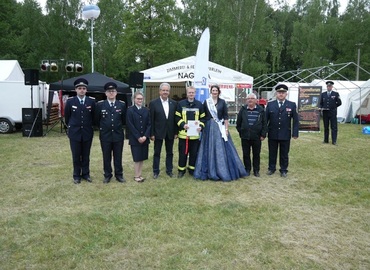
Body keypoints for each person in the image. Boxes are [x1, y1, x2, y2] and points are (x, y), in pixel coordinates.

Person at [194, 85, 247, 181]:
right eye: (213, 90)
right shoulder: (206, 102)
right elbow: (203, 116)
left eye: (216, 90)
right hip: (209, 127)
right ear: (211, 92)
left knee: (221, 148)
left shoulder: (222, 102)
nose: (214, 92)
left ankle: (222, 170)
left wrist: (226, 129)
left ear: (219, 92)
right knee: (208, 148)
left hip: (220, 127)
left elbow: (226, 116)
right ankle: (209, 170)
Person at [64, 78, 96, 184]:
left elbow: (93, 117)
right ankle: (76, 175)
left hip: (87, 132)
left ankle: (86, 174)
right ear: (75, 90)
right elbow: (67, 118)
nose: (82, 90)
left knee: (86, 155)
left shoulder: (91, 101)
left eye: (83, 88)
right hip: (75, 133)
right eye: (79, 88)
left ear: (86, 90)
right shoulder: (70, 102)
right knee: (76, 155)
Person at [95, 82, 126, 183]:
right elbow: (96, 120)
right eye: (109, 91)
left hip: (118, 135)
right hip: (105, 135)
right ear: (106, 93)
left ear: (116, 92)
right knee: (106, 156)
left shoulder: (122, 104)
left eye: (113, 91)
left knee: (118, 156)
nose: (111, 93)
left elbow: (124, 120)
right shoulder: (100, 105)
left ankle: (119, 175)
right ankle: (107, 175)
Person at [265, 84, 299, 177]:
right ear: (276, 93)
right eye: (279, 92)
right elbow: (265, 120)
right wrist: (264, 133)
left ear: (286, 94)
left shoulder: (291, 105)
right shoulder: (270, 104)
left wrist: (295, 133)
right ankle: (271, 168)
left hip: (285, 133)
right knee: (272, 152)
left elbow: (295, 120)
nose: (281, 94)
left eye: (283, 93)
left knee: (284, 153)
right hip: (273, 133)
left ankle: (283, 169)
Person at [175, 86, 206, 178]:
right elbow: (177, 117)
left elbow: (203, 118)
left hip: (195, 136)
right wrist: (183, 124)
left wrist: (200, 126)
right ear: (187, 93)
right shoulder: (180, 104)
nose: (191, 94)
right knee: (182, 153)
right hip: (184, 135)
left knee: (194, 153)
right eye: (189, 92)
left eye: (193, 92)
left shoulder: (199, 104)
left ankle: (192, 170)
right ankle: (181, 170)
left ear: (195, 93)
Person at [149, 82, 178, 179]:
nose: (165, 92)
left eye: (167, 90)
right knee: (157, 152)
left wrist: (176, 132)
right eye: (163, 90)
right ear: (160, 91)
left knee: (169, 152)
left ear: (169, 92)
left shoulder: (174, 103)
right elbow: (151, 119)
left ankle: (169, 170)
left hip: (170, 132)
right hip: (158, 132)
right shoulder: (153, 103)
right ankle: (155, 171)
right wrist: (151, 133)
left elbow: (175, 119)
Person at [236, 93, 267, 177]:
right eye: (248, 98)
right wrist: (241, 132)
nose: (250, 100)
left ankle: (256, 170)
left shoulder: (261, 110)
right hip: (245, 136)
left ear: (256, 100)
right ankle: (247, 169)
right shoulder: (243, 110)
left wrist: (263, 134)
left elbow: (264, 123)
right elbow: (238, 123)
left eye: (252, 98)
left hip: (257, 137)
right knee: (246, 154)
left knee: (256, 154)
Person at [126, 91, 151, 183]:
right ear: (134, 99)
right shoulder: (130, 110)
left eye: (141, 99)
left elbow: (149, 124)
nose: (140, 100)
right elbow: (130, 125)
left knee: (142, 157)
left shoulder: (146, 110)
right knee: (137, 157)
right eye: (138, 99)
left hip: (144, 138)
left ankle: (140, 174)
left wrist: (145, 136)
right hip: (135, 138)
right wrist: (138, 137)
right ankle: (136, 175)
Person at [319, 80, 342, 145]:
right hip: (325, 112)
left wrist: (334, 107)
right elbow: (321, 103)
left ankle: (334, 141)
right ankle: (326, 140)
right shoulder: (323, 94)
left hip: (332, 112)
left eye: (330, 86)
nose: (329, 87)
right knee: (326, 126)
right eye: (328, 86)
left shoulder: (335, 94)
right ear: (327, 87)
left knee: (334, 127)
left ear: (332, 87)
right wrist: (320, 107)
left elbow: (340, 103)